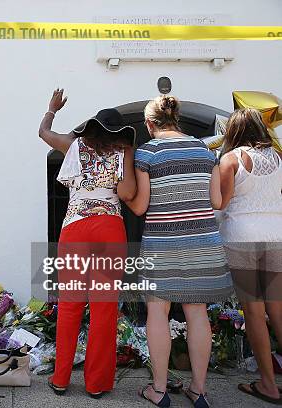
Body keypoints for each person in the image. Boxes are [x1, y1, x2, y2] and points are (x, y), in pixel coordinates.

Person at [125, 95, 233, 408]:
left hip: (162, 242)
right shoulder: (204, 150)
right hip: (203, 242)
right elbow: (215, 201)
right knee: (197, 313)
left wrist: (125, 197)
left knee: (157, 312)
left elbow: (141, 205)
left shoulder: (147, 151)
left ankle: (158, 390)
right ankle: (199, 391)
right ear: (177, 119)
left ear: (149, 124)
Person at [39, 89, 137, 398]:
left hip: (75, 228)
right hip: (109, 229)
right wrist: (129, 153)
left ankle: (61, 380)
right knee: (104, 309)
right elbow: (127, 195)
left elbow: (43, 133)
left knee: (69, 305)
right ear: (121, 133)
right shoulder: (123, 151)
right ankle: (96, 384)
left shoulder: (75, 146)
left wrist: (52, 109)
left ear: (91, 127)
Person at [218, 108, 282, 405]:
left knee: (254, 313)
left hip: (242, 237)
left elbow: (221, 203)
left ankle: (269, 385)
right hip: (276, 236)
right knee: (278, 310)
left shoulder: (230, 160)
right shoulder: (280, 157)